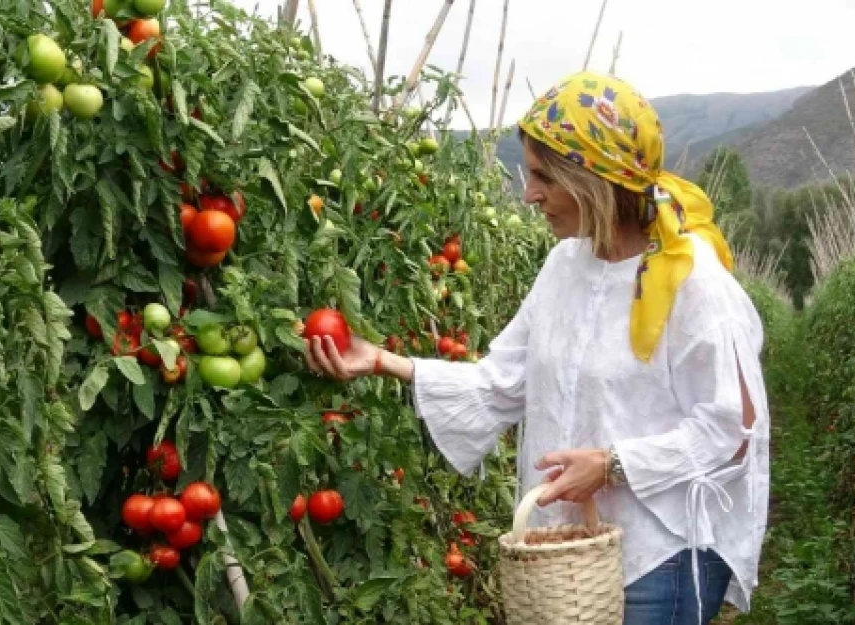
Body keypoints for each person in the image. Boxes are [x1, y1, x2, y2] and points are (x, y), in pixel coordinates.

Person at [303, 71, 769, 625]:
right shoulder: (563, 267)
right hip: (567, 560)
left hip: (659, 555)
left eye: (543, 177)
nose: (529, 195)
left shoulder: (691, 280)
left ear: (595, 180)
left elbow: (733, 430)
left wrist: (613, 465)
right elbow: (503, 381)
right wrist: (381, 360)